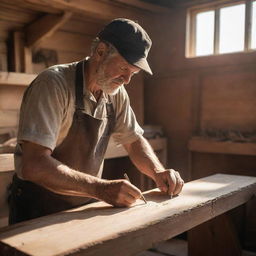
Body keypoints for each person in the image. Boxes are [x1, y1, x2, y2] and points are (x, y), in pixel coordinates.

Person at [8, 18, 184, 224]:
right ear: (100, 52)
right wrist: (100, 189)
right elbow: (34, 164)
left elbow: (133, 140)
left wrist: (157, 171)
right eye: (124, 68)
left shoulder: (116, 93)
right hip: (38, 209)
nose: (127, 79)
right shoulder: (53, 85)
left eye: (133, 74)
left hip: (81, 206)